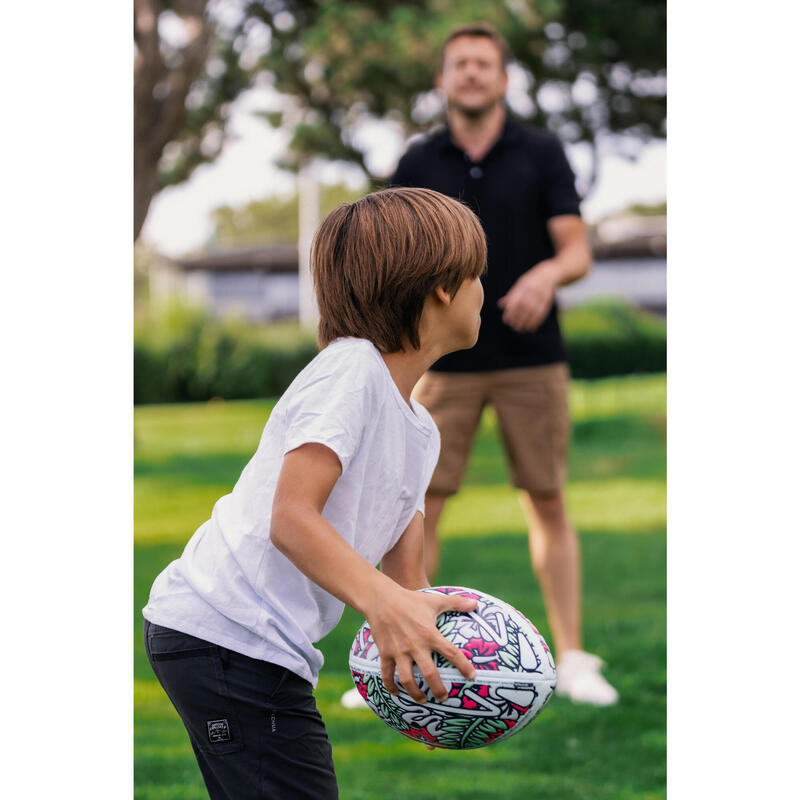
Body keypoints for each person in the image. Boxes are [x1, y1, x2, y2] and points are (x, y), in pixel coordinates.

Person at [142, 187, 488, 800]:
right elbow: (292, 517)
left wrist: (439, 666)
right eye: (478, 276)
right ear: (442, 286)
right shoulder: (350, 370)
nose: (485, 291)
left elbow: (406, 581)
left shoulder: (420, 431)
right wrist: (383, 604)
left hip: (256, 645)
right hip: (225, 630)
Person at [343, 23, 617, 709]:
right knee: (417, 503)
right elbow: (387, 253)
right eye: (459, 64)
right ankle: (395, 649)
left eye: (483, 64)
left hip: (532, 360)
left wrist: (547, 277)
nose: (470, 74)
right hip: (440, 364)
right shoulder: (416, 159)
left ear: (502, 78)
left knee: (547, 500)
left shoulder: (542, 152)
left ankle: (575, 657)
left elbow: (577, 250)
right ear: (443, 79)